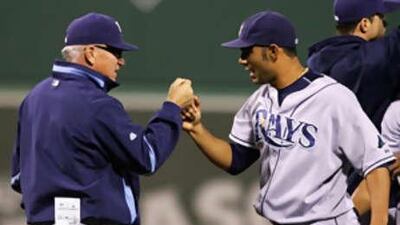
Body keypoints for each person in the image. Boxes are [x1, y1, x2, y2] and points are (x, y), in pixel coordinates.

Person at [181, 10, 395, 225]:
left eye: (247, 51)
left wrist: (379, 221)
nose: (242, 60)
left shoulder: (333, 97)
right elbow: (236, 159)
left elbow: (376, 165)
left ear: (273, 51)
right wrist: (197, 128)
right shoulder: (260, 100)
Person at [10, 12, 194, 225]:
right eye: (116, 52)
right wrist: (172, 107)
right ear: (90, 53)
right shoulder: (95, 103)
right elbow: (147, 156)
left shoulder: (34, 98)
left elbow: (19, 178)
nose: (121, 61)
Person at [307, 0, 400, 222]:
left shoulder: (314, 64)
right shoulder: (376, 59)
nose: (385, 21)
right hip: (368, 189)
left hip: (320, 190)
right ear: (365, 24)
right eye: (380, 16)